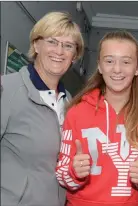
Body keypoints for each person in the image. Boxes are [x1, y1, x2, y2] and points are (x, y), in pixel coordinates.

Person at [55, 31, 138, 206]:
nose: (117, 69)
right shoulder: (76, 112)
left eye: (126, 62)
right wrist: (73, 172)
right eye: (109, 61)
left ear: (137, 68)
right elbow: (62, 175)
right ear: (100, 66)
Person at [1, 11, 84, 206]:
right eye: (52, 41)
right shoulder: (7, 89)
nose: (59, 51)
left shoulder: (69, 101)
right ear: (36, 45)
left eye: (68, 46)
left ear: (74, 56)